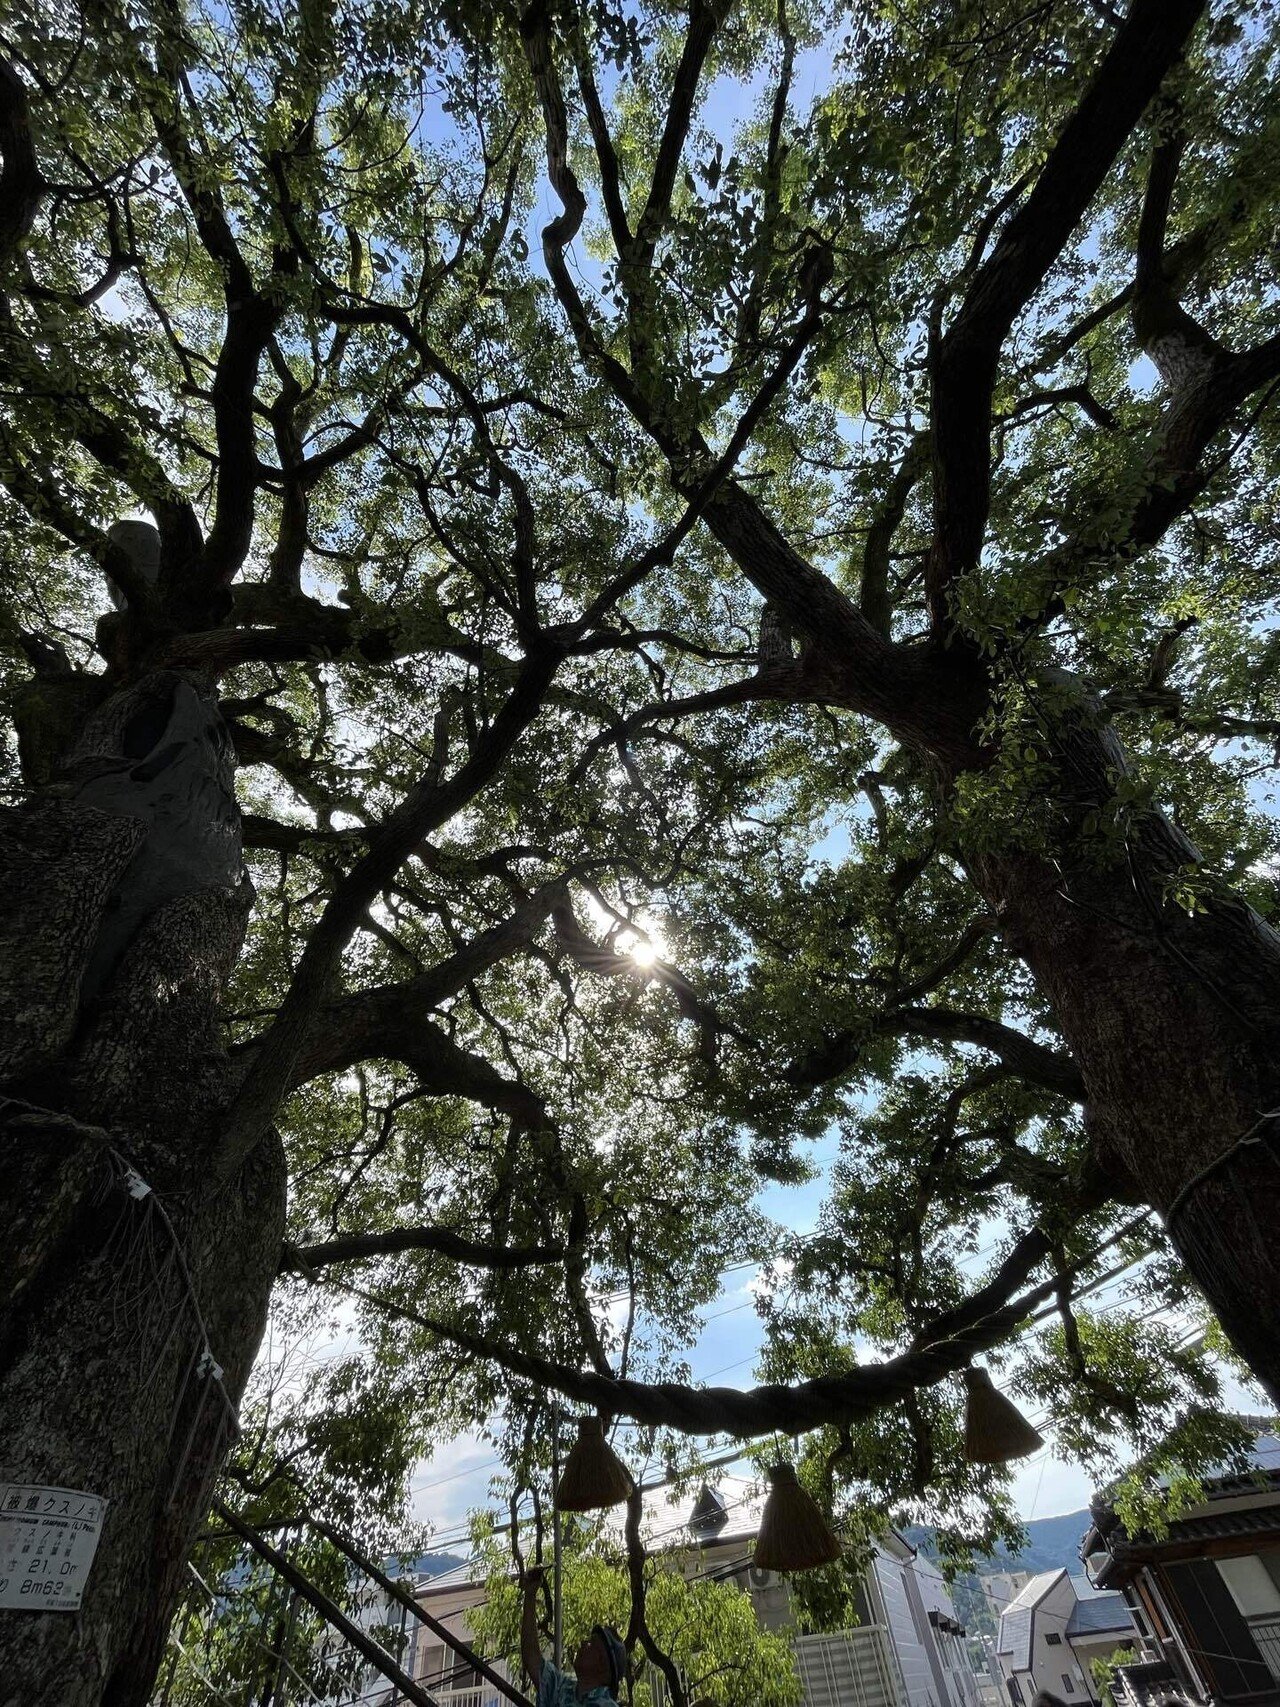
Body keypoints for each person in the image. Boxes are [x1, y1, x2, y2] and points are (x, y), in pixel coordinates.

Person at [519, 1564, 628, 1707]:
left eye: (591, 1644)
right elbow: (532, 1657)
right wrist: (530, 1594)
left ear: (602, 1663)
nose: (583, 1643)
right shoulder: (561, 1688)